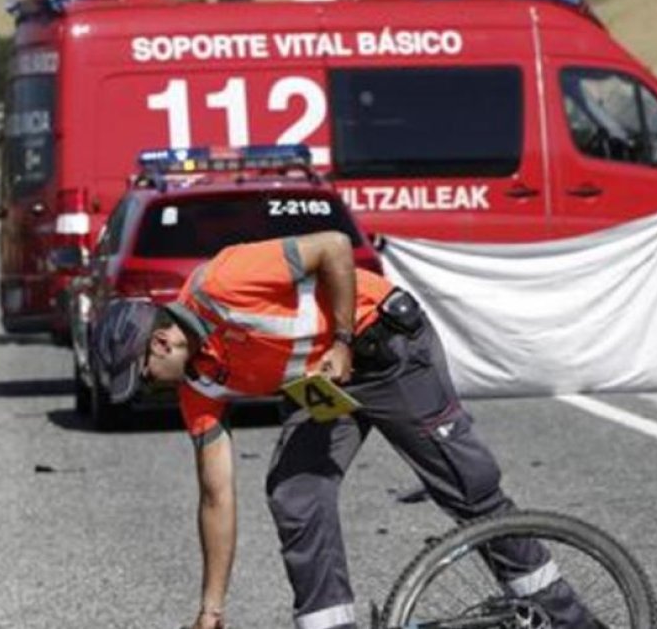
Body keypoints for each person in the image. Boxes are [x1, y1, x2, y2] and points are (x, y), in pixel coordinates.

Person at [91, 232, 598, 629]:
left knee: (469, 487)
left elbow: (333, 245)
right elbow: (215, 496)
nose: (148, 389)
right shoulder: (199, 384)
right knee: (295, 496)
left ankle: (568, 618)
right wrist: (212, 609)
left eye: (144, 376)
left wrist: (340, 341)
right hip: (329, 385)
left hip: (384, 349)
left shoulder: (222, 280)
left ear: (160, 343)